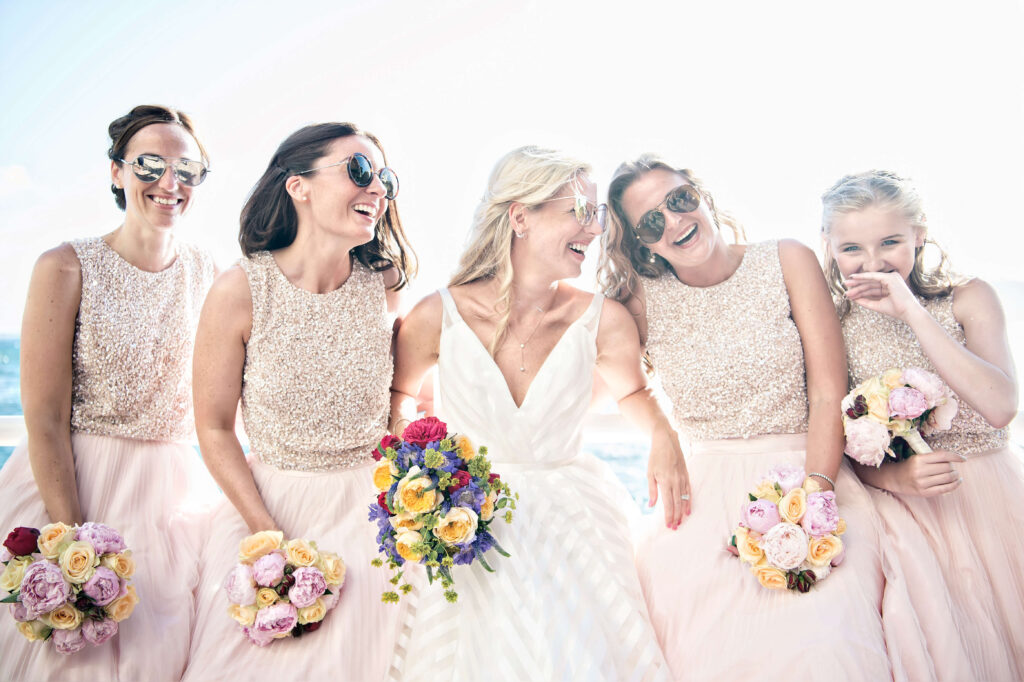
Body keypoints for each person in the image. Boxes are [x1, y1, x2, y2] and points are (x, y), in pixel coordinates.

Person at [597, 155, 966, 681]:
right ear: (640, 244)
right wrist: (659, 432)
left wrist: (814, 496)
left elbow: (827, 388)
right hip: (701, 502)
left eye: (679, 200)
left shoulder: (787, 259)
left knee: (826, 644)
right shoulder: (635, 302)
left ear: (699, 195)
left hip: (812, 472)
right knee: (696, 646)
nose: (675, 221)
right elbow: (625, 387)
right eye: (652, 221)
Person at [386, 146, 678, 680]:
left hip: (572, 523)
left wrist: (663, 436)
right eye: (579, 212)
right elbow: (400, 398)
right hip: (466, 520)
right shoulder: (437, 314)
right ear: (520, 216)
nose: (592, 231)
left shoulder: (602, 318)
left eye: (597, 215)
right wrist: (421, 472)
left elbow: (634, 394)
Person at [181, 122, 416, 681]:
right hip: (271, 508)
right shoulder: (240, 288)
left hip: (374, 517)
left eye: (384, 177)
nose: (377, 188)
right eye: (359, 171)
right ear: (299, 186)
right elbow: (213, 428)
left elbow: (402, 401)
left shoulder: (384, 284)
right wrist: (268, 537)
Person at [0, 104, 217, 681]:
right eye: (150, 164)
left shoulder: (209, 272)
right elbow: (43, 417)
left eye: (188, 169)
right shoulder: (65, 266)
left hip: (174, 500)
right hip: (75, 487)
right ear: (117, 172)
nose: (170, 182)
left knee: (161, 655)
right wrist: (74, 546)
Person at [822, 169, 1023, 680]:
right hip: (905, 511)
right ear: (828, 246)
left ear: (919, 234)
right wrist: (895, 478)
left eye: (890, 241)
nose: (873, 262)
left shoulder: (968, 297)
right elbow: (838, 441)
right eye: (852, 248)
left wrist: (912, 312)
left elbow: (1000, 406)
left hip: (989, 498)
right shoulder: (831, 322)